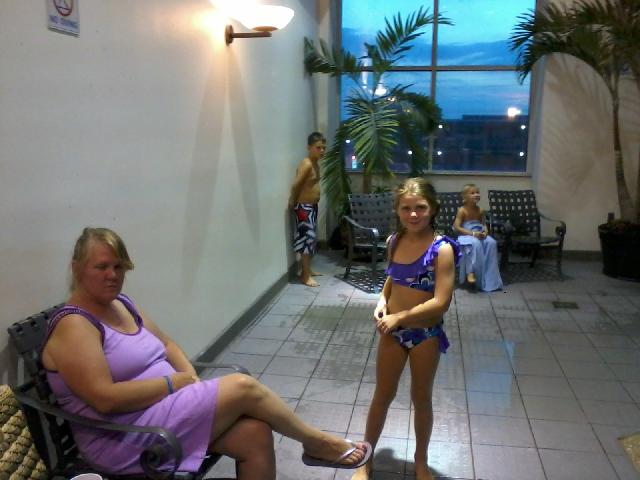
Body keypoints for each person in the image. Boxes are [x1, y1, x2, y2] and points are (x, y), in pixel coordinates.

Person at [42, 227, 371, 479]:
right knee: (242, 386)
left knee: (255, 434)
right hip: (124, 436)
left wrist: (190, 378)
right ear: (77, 268)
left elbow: (167, 344)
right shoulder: (75, 325)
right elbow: (105, 400)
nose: (112, 275)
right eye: (101, 267)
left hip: (161, 412)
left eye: (118, 266)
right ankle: (316, 442)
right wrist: (174, 383)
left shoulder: (121, 304)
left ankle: (314, 443)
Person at [352, 178, 460, 480]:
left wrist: (400, 317)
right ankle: (366, 460)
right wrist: (381, 300)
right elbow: (392, 277)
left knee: (421, 398)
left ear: (433, 208)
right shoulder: (394, 241)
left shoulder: (442, 249)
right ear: (397, 210)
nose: (413, 214)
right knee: (382, 395)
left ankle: (421, 461)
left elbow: (441, 302)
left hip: (424, 334)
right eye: (406, 208)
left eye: (420, 208)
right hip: (393, 333)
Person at [288, 131, 326, 287]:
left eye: (323, 148)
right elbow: (296, 185)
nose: (322, 150)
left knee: (310, 240)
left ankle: (308, 270)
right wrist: (293, 201)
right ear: (309, 147)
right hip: (304, 207)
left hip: (311, 207)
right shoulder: (307, 163)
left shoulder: (315, 163)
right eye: (318, 147)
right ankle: (305, 275)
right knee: (306, 240)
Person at [453, 184, 503, 292]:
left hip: (479, 233)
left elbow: (483, 224)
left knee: (491, 242)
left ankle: (489, 276)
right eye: (472, 193)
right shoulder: (462, 210)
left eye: (477, 192)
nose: (476, 195)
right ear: (465, 197)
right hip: (466, 235)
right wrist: (473, 233)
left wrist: (485, 231)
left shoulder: (480, 210)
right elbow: (456, 227)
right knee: (474, 244)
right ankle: (471, 272)